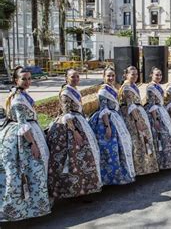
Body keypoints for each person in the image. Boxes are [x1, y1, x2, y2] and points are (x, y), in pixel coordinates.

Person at [0, 67, 51, 222]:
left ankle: (34, 206)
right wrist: (32, 145)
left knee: (32, 173)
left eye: (29, 78)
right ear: (16, 80)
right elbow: (23, 125)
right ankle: (23, 209)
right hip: (23, 140)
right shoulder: (18, 99)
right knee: (26, 172)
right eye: (24, 79)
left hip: (30, 131)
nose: (28, 81)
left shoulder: (21, 94)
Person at [47, 69, 102, 199]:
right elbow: (66, 115)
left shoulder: (74, 90)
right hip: (70, 128)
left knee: (85, 158)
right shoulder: (66, 92)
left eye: (77, 76)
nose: (76, 78)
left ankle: (85, 188)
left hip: (80, 122)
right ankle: (74, 190)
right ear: (66, 78)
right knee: (73, 159)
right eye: (73, 77)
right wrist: (75, 132)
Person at [88, 67, 135, 185]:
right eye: (108, 76)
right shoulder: (103, 91)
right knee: (110, 150)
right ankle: (109, 178)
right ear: (103, 77)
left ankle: (120, 174)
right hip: (107, 121)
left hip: (115, 118)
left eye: (112, 75)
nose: (111, 78)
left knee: (121, 147)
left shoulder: (113, 88)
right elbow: (103, 109)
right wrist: (107, 126)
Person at [119, 66, 160, 176]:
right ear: (126, 75)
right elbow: (130, 105)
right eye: (132, 74)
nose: (135, 76)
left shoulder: (133, 86)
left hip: (138, 113)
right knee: (137, 139)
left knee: (144, 139)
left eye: (136, 74)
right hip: (132, 117)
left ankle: (145, 167)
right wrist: (138, 121)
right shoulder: (127, 87)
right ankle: (139, 168)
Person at [144, 67, 171, 169]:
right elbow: (152, 105)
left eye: (160, 75)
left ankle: (168, 161)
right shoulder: (151, 87)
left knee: (168, 136)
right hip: (155, 114)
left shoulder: (158, 86)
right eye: (156, 75)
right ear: (151, 75)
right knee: (162, 137)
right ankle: (163, 162)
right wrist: (155, 120)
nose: (159, 77)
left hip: (161, 111)